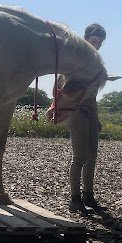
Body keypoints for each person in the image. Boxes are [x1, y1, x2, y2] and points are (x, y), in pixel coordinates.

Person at [48, 23, 107, 213]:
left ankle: (88, 195)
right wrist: (54, 106)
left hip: (90, 111)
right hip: (75, 111)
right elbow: (58, 85)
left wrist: (96, 117)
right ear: (87, 38)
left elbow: (92, 94)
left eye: (100, 42)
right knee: (80, 156)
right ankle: (75, 199)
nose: (97, 44)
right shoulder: (76, 58)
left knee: (92, 156)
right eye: (94, 40)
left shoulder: (96, 62)